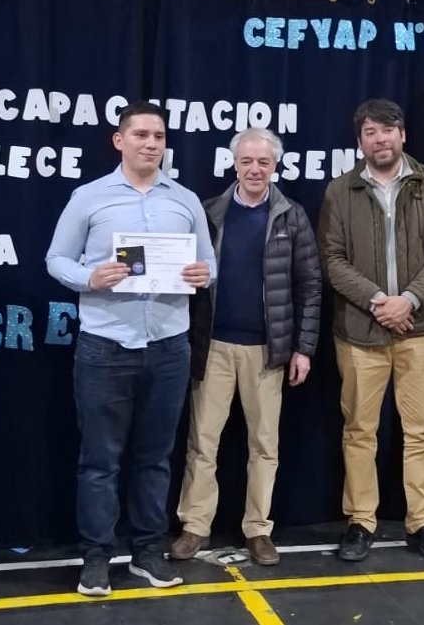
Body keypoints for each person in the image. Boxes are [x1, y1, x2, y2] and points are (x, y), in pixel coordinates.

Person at [46, 100, 216, 596]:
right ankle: (97, 557)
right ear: (119, 140)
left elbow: (209, 264)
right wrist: (89, 276)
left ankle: (146, 553)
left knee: (155, 458)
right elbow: (56, 258)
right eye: (140, 134)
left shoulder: (185, 201)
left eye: (158, 136)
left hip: (168, 346)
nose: (151, 144)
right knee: (100, 461)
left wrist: (203, 274)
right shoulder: (89, 197)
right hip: (106, 345)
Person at [317, 99, 424, 565]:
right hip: (360, 333)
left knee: (423, 432)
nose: (379, 139)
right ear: (359, 142)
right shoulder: (340, 191)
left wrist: (409, 300)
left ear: (403, 135)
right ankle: (361, 521)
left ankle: (422, 523)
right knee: (359, 430)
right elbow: (332, 259)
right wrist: (381, 301)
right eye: (370, 132)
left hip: (423, 330)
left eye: (387, 130)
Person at [171, 128, 321, 566]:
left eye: (263, 162)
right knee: (202, 442)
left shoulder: (292, 216)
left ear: (275, 166)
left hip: (267, 352)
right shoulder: (209, 213)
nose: (255, 169)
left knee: (264, 445)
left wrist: (303, 348)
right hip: (213, 347)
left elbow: (310, 286)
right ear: (234, 164)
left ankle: (258, 529)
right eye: (247, 161)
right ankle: (195, 526)